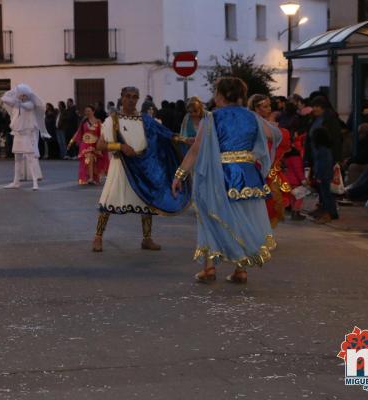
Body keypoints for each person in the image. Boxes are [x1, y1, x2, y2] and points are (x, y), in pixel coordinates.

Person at [172, 77, 276, 284]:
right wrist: (252, 155)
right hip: (247, 174)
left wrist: (179, 175)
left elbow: (196, 149)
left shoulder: (211, 118)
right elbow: (272, 134)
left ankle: (209, 268)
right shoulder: (252, 117)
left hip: (219, 174)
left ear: (220, 95)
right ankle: (241, 270)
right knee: (243, 218)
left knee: (211, 216)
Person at [92, 86, 191, 252]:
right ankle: (98, 237)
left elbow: (165, 134)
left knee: (147, 201)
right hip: (122, 165)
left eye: (135, 97)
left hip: (144, 164)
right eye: (128, 96)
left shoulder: (145, 119)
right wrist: (121, 146)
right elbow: (100, 145)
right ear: (122, 98)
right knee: (109, 201)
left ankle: (147, 239)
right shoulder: (112, 120)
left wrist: (185, 139)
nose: (131, 100)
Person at [248, 94, 290, 228]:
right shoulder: (253, 122)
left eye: (269, 106)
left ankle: (262, 233)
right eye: (265, 106)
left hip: (266, 167)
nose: (269, 109)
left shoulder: (267, 124)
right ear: (256, 108)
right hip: (252, 166)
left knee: (268, 201)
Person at [1, 84, 51, 191]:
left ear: (28, 96)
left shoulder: (30, 104)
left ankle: (35, 182)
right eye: (21, 95)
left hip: (27, 135)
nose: (22, 97)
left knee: (31, 159)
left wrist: (18, 99)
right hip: (17, 135)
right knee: (17, 160)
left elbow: (26, 106)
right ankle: (16, 182)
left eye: (24, 95)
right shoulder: (16, 105)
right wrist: (14, 92)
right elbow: (4, 99)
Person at [68, 105, 109, 185]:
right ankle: (89, 178)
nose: (87, 112)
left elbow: (102, 133)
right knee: (88, 158)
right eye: (86, 111)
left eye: (89, 111)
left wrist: (102, 142)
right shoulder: (84, 121)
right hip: (85, 143)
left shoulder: (98, 121)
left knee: (94, 160)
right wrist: (71, 141)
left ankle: (93, 177)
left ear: (93, 112)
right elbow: (78, 132)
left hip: (95, 144)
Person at [311, 127, 338, 223]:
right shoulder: (326, 149)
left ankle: (328, 214)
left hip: (324, 176)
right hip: (326, 175)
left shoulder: (322, 150)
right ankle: (332, 213)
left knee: (326, 196)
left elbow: (322, 164)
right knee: (327, 195)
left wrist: (318, 175)